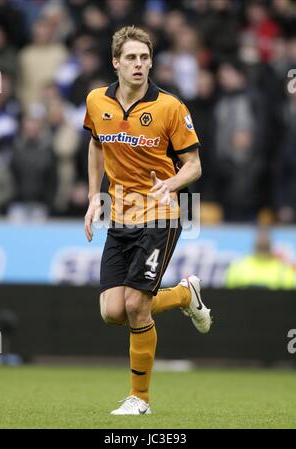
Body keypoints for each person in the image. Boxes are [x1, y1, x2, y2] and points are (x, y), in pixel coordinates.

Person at [83, 25, 212, 416]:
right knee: (112, 312)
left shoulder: (170, 107)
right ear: (116, 63)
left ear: (151, 61)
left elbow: (194, 166)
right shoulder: (95, 101)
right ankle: (185, 295)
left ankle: (140, 399)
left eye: (144, 58)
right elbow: (95, 144)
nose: (139, 65)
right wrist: (94, 196)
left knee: (138, 305)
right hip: (119, 215)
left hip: (160, 213)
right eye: (131, 58)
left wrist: (171, 183)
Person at [226, 228, 296, 289]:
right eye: (260, 247)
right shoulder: (237, 267)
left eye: (264, 247)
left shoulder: (283, 270)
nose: (262, 242)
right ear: (254, 246)